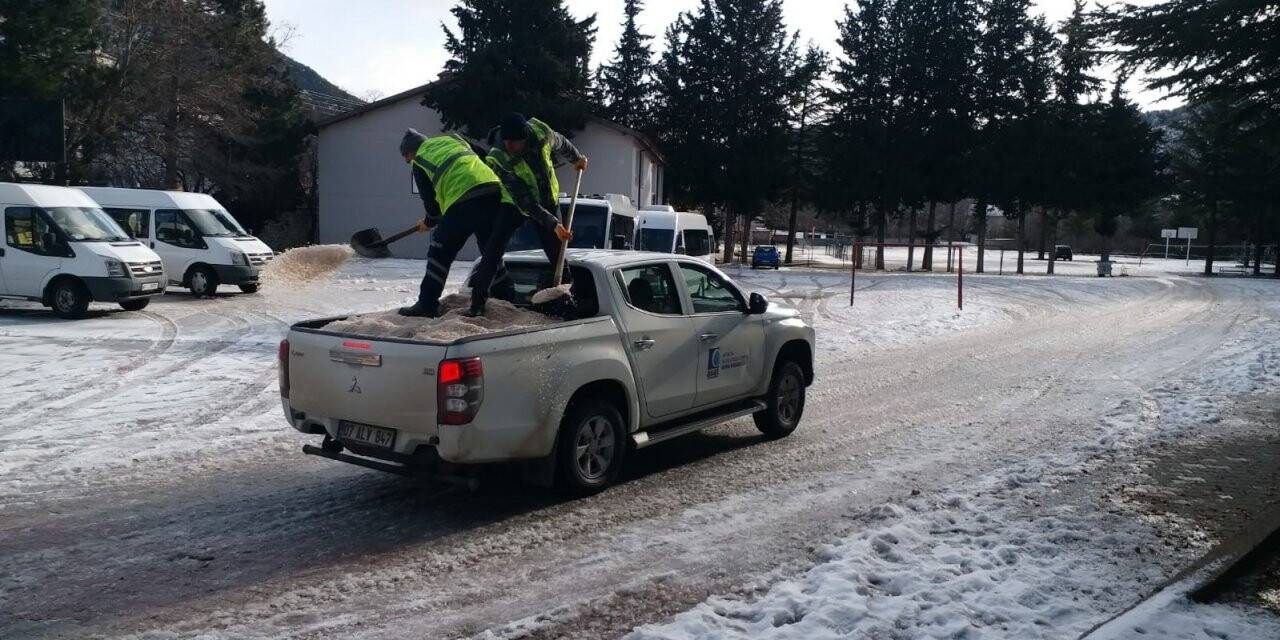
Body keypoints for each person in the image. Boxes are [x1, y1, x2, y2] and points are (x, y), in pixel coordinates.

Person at [397, 128, 515, 318]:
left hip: (463, 200)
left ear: (413, 150)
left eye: (406, 156)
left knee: (439, 251)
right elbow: (486, 157)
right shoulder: (455, 139)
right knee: (489, 250)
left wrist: (429, 221)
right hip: (493, 193)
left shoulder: (420, 161)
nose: (407, 161)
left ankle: (427, 304)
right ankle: (507, 295)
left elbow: (431, 203)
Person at [485, 112, 588, 290]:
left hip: (548, 200)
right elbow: (524, 201)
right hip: (515, 203)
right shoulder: (498, 157)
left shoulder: (541, 132)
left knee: (557, 254)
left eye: (513, 142)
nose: (508, 145)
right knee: (494, 245)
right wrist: (554, 223)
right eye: (506, 140)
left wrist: (576, 158)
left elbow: (561, 142)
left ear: (524, 138)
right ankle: (482, 297)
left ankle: (565, 293)